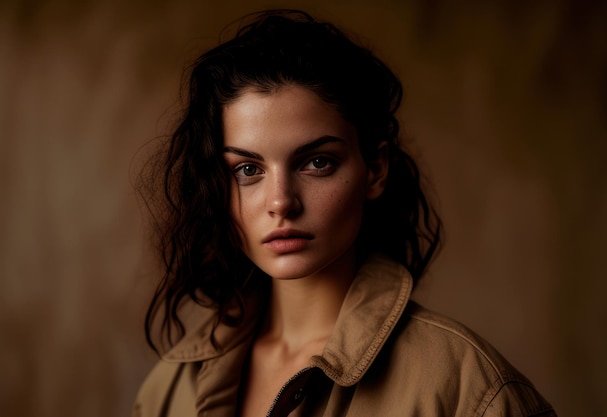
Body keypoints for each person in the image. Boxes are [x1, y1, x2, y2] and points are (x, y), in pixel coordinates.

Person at [133, 9, 557, 417]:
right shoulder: (169, 388)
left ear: (374, 170)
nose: (281, 201)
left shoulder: (470, 390)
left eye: (316, 162)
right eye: (248, 170)